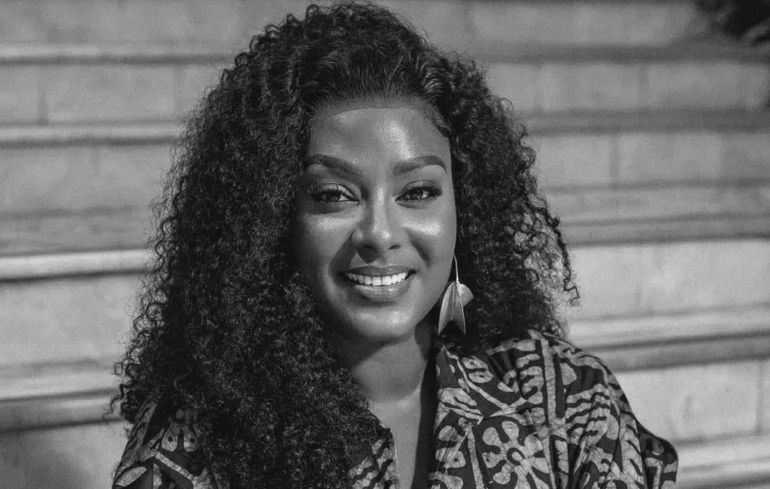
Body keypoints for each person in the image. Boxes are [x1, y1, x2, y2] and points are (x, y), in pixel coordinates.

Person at [111, 3, 678, 488]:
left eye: (418, 192)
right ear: (272, 220)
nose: (380, 234)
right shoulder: (195, 441)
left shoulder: (565, 400)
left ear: (464, 209)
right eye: (334, 195)